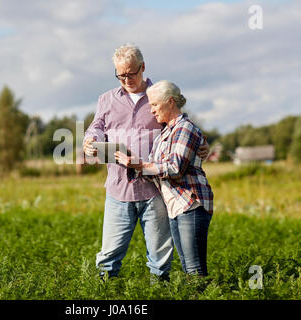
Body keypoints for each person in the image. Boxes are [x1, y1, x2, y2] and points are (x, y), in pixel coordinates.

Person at [83, 44, 210, 282]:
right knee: (109, 256)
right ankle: (102, 294)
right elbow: (96, 127)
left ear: (142, 67)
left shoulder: (159, 95)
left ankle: (158, 293)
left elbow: (183, 127)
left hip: (155, 190)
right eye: (121, 75)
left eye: (131, 73)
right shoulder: (106, 100)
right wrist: (90, 140)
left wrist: (203, 144)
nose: (127, 79)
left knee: (160, 258)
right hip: (118, 189)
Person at [115, 80, 214, 277]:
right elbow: (154, 168)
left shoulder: (184, 128)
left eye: (154, 105)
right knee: (187, 266)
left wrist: (140, 165)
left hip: (190, 203)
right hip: (176, 206)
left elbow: (175, 168)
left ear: (170, 102)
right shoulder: (165, 133)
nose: (151, 111)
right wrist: (132, 164)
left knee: (194, 268)